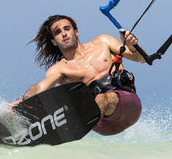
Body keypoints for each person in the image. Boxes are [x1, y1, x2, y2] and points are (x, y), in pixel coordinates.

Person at [11, 15, 145, 136]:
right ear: (53, 41)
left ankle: (75, 125)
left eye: (67, 29)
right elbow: (40, 87)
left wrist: (132, 46)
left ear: (76, 32)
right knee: (85, 103)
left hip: (128, 105)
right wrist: (22, 101)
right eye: (58, 32)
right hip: (102, 125)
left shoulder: (102, 42)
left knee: (102, 98)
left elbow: (140, 59)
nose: (63, 34)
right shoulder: (60, 69)